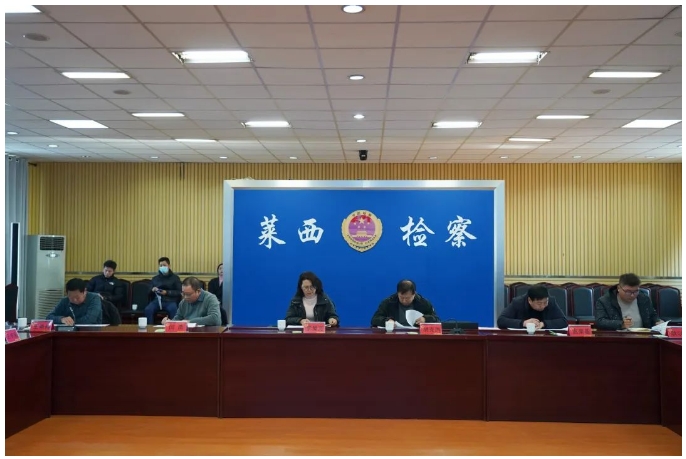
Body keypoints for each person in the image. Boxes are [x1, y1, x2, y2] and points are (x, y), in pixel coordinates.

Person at [595, 273, 664, 330]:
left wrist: (658, 321)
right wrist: (621, 324)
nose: (632, 295)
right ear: (619, 288)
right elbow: (600, 322)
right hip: (617, 338)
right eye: (628, 292)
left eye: (636, 291)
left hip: (643, 336)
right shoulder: (604, 301)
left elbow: (653, 315)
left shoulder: (644, 299)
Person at [371, 279, 440, 327]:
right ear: (397, 293)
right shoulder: (388, 302)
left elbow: (437, 320)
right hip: (394, 336)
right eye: (401, 297)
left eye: (407, 298)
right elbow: (375, 319)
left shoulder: (423, 303)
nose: (404, 301)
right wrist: (387, 321)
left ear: (414, 294)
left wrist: (425, 319)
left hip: (417, 337)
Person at [497, 284, 568, 329]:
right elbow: (501, 320)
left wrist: (543, 324)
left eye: (545, 302)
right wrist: (524, 323)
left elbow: (564, 321)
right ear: (530, 300)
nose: (543, 306)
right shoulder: (518, 303)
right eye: (539, 303)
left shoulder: (551, 302)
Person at [145, 257, 182, 324]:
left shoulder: (175, 278)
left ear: (169, 266)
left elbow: (179, 292)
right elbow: (148, 292)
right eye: (161, 265)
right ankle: (150, 328)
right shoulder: (155, 278)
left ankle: (173, 328)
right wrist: (152, 290)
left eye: (164, 265)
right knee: (148, 309)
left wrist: (167, 292)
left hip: (170, 301)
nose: (162, 267)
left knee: (174, 310)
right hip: (157, 301)